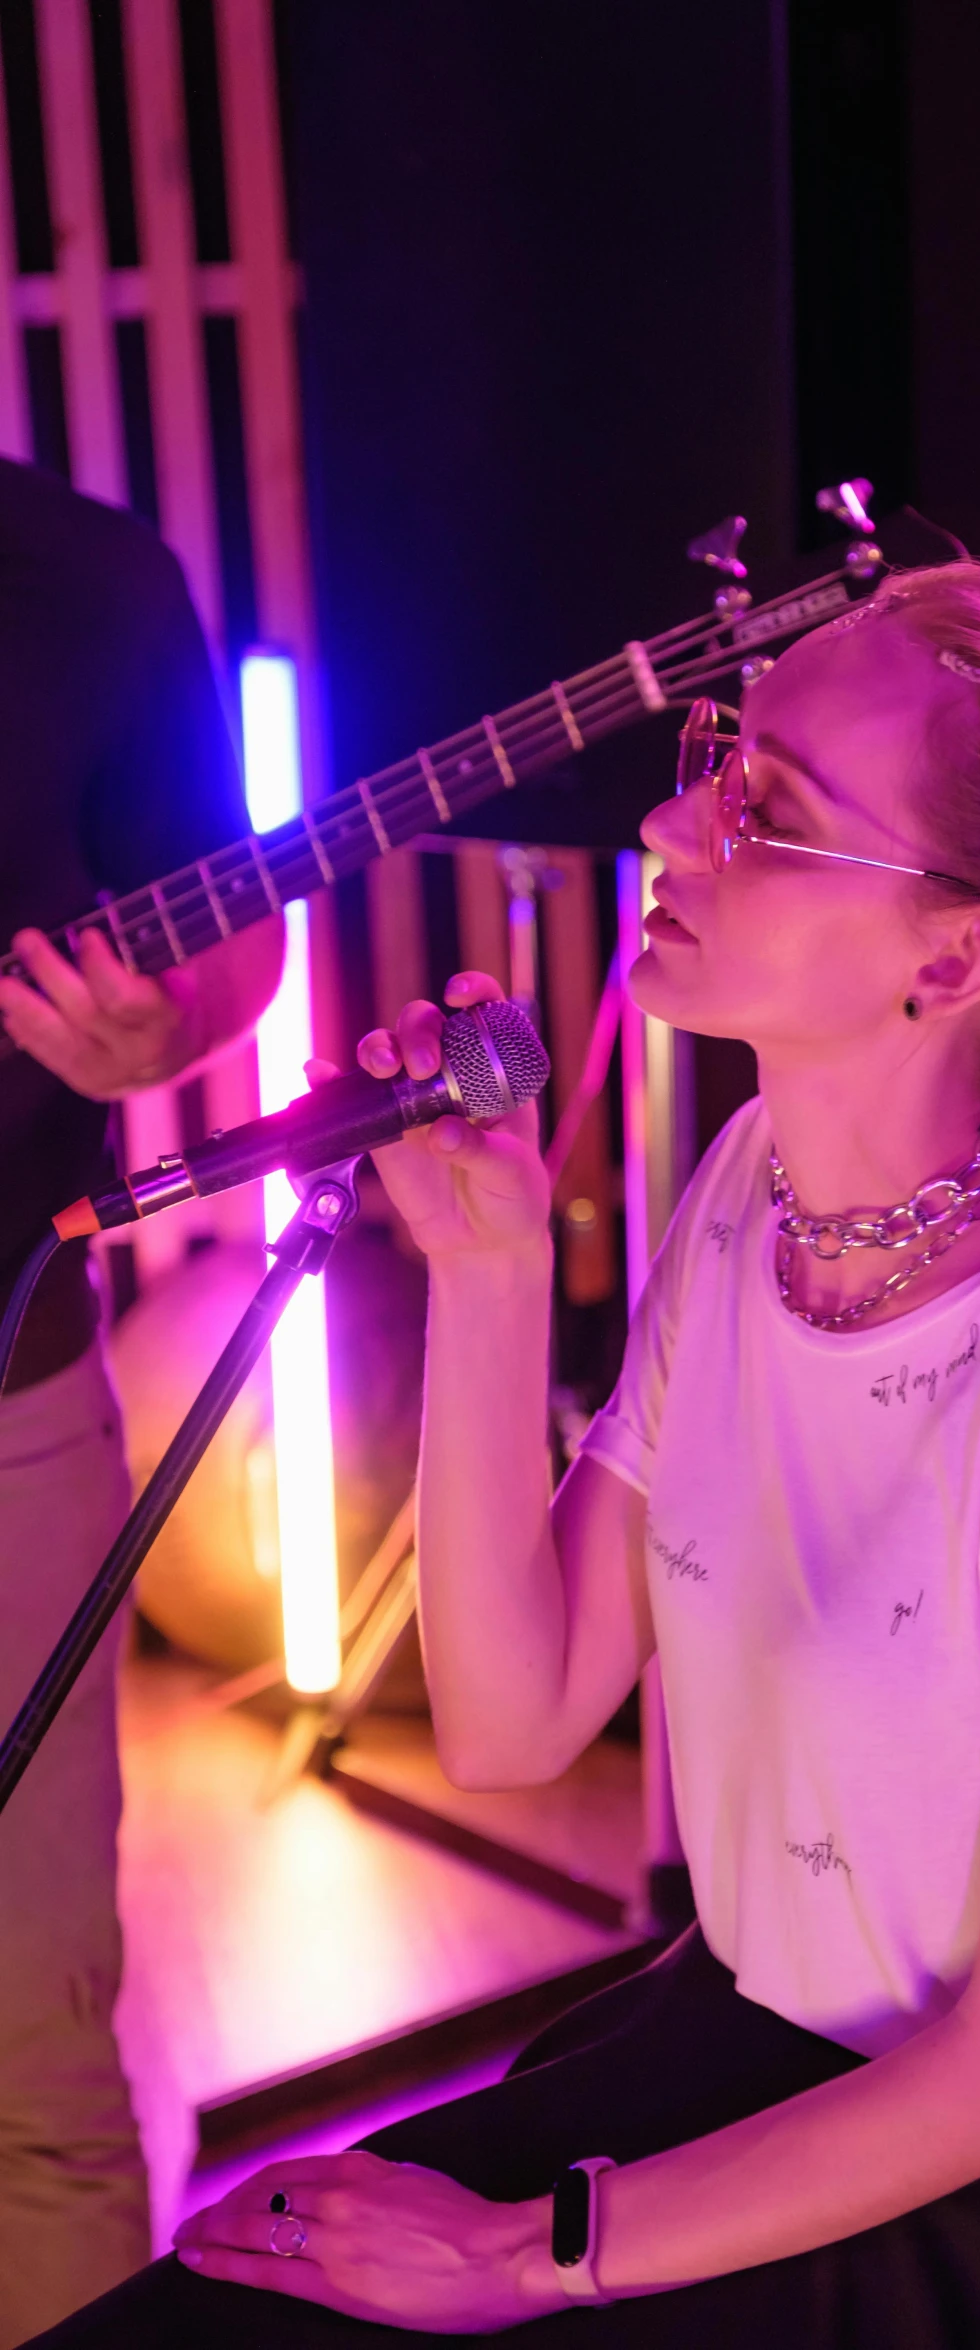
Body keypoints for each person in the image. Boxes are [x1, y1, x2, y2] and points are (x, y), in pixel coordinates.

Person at [30, 560, 980, 2348]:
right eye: (721, 758)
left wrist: (516, 2256)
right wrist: (491, 1277)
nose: (670, 816)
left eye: (767, 807)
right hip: (737, 2060)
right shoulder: (752, 1196)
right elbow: (512, 1721)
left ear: (953, 955)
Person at [0, 456, 284, 2348]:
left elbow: (235, 929)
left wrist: (160, 1031)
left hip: (9, 1399)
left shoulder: (84, 573)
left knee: (34, 2055)